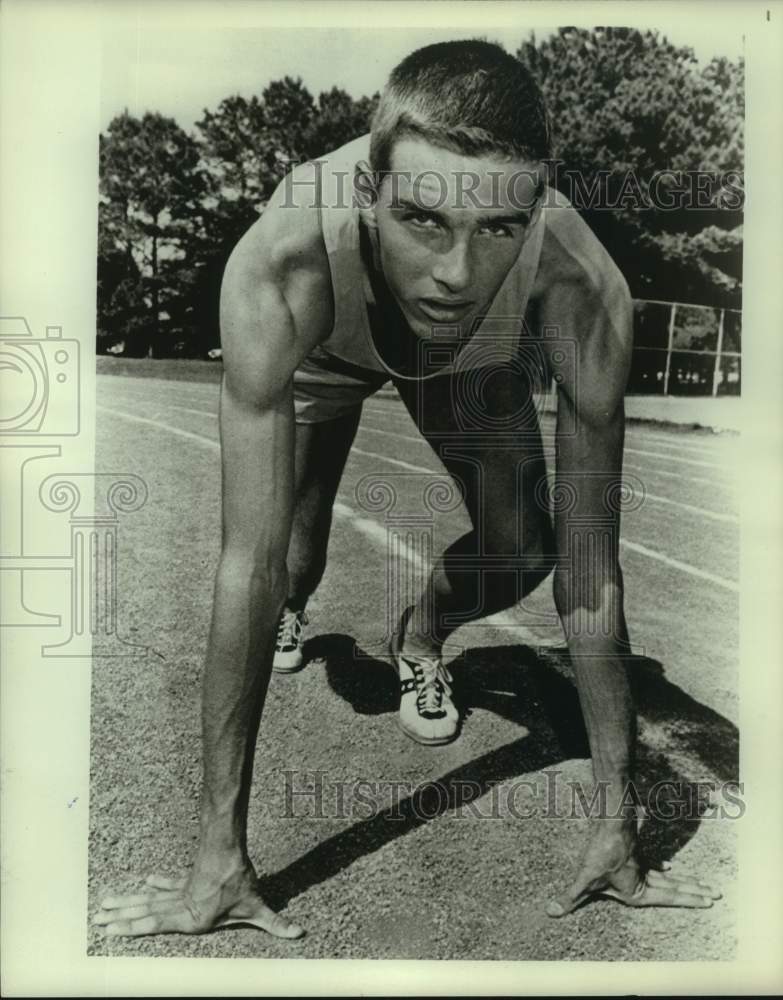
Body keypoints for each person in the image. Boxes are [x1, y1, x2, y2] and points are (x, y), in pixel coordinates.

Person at [95, 40, 720, 939]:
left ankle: (420, 637)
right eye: (424, 220)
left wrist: (618, 826)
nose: (458, 273)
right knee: (288, 560)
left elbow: (590, 570)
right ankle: (302, 624)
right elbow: (245, 558)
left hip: (458, 364)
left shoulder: (581, 282)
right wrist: (217, 864)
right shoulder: (283, 256)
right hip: (327, 348)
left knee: (531, 545)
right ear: (365, 196)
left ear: (536, 206)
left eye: (498, 228)